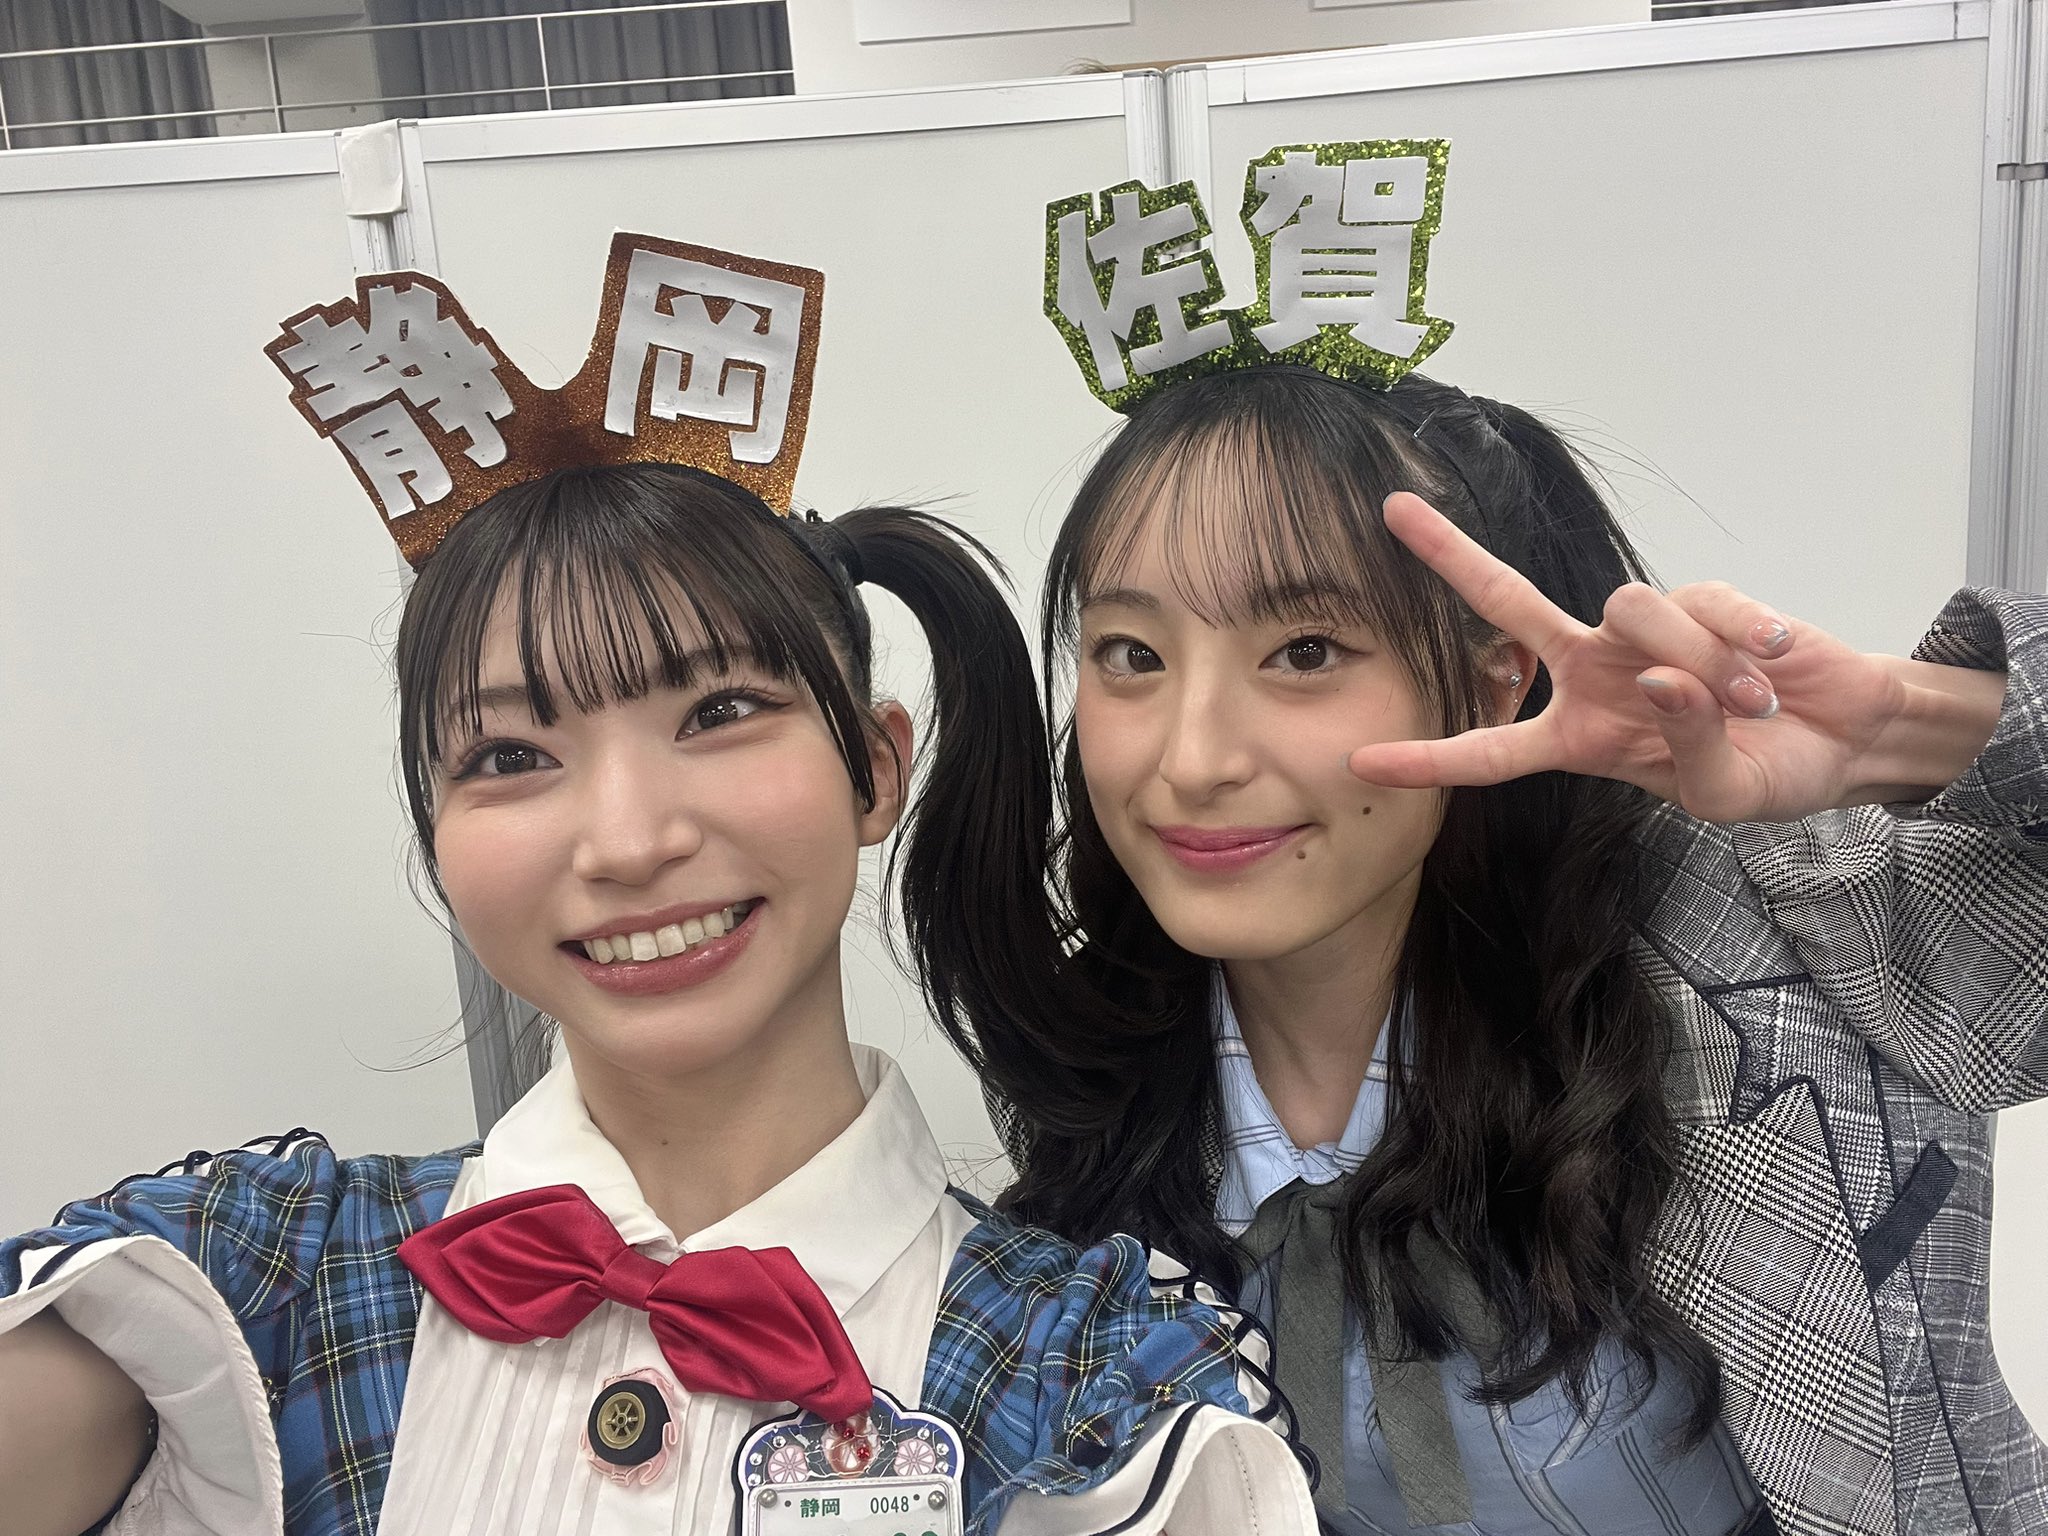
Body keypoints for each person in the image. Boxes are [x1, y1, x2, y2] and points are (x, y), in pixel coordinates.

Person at [0, 237, 1316, 1536]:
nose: (626, 842)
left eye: (719, 712)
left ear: (874, 770)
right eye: (511, 757)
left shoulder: (1094, 1377)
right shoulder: (261, 1281)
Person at [920, 150, 2048, 1535]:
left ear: (1492, 678)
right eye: (1132, 654)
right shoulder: (1101, 1091)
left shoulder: (1767, 949)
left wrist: (1914, 729)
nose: (1194, 759)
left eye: (1305, 650)